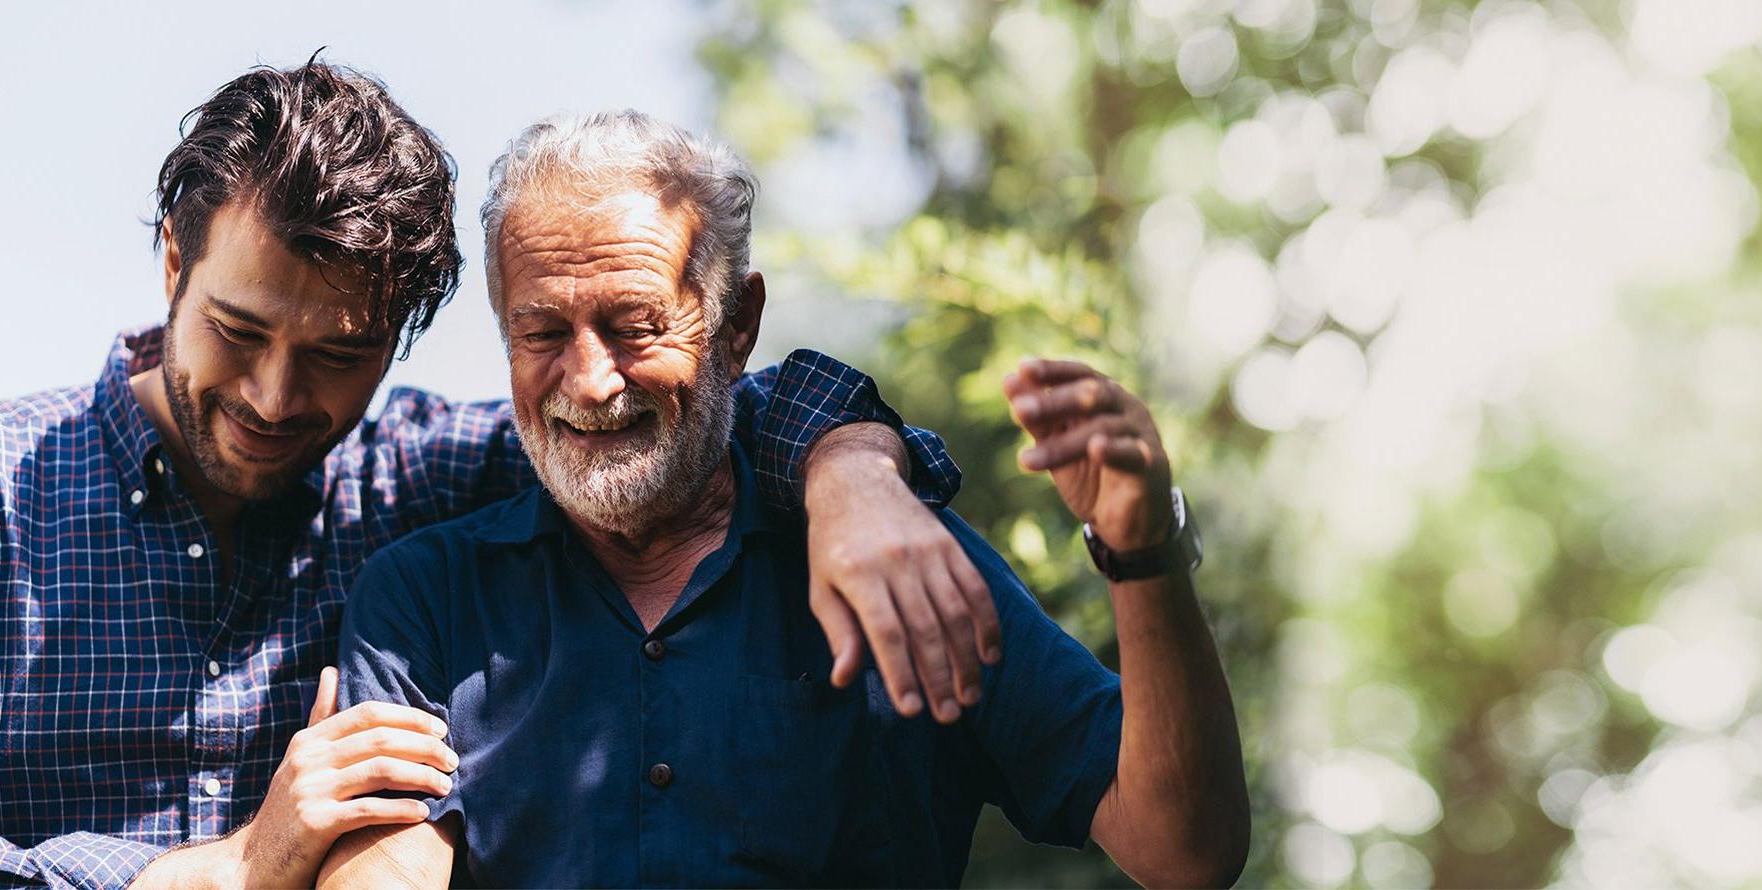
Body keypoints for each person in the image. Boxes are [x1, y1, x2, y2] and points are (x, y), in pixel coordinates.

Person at [0, 60, 993, 889]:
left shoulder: (426, 481)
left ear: (401, 336)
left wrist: (854, 472)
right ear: (173, 260)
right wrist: (231, 869)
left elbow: (686, 406)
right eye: (238, 330)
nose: (279, 398)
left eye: (339, 355)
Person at [320, 109, 1250, 888]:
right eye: (541, 332)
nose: (591, 380)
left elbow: (1185, 849)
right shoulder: (424, 598)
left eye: (635, 325)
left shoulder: (899, 555)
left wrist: (1143, 550)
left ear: (738, 326)